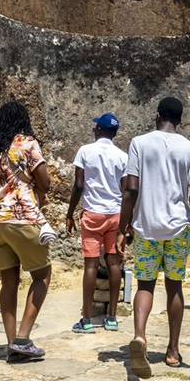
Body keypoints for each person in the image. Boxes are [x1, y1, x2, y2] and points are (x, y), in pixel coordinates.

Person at [116, 97, 190, 378]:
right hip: (178, 229)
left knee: (145, 284)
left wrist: (123, 228)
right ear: (180, 120)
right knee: (174, 286)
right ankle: (172, 351)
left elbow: (130, 189)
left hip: (146, 227)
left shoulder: (139, 144)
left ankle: (140, 337)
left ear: (157, 115)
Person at [0, 100, 52, 362]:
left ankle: (11, 343)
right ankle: (23, 339)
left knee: (8, 282)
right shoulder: (27, 144)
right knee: (42, 275)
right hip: (22, 220)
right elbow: (45, 181)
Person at [66, 113, 128, 333]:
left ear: (99, 130)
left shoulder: (85, 151)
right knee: (114, 263)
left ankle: (87, 319)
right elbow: (126, 189)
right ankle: (111, 317)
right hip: (115, 214)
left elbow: (79, 184)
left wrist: (69, 213)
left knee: (91, 265)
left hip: (92, 214)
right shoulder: (123, 156)